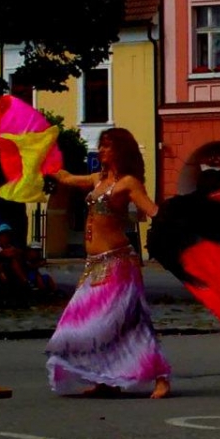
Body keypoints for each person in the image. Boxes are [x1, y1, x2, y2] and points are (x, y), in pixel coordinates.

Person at [44, 127, 171, 399]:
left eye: (107, 146)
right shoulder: (96, 180)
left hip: (118, 263)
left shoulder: (128, 183)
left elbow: (152, 210)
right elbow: (66, 178)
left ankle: (160, 376)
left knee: (128, 322)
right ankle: (104, 379)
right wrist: (41, 156)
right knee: (82, 323)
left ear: (120, 150)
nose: (100, 150)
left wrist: (175, 225)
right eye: (100, 145)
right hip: (94, 264)